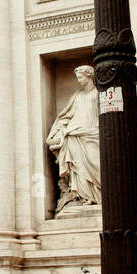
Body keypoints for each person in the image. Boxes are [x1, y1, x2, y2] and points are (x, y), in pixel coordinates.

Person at [47, 65, 101, 213]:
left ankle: (99, 195)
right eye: (77, 78)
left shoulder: (98, 93)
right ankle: (83, 196)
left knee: (96, 161)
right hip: (76, 134)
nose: (79, 80)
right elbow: (66, 116)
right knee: (78, 165)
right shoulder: (77, 96)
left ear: (89, 76)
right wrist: (58, 131)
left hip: (93, 133)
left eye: (81, 77)